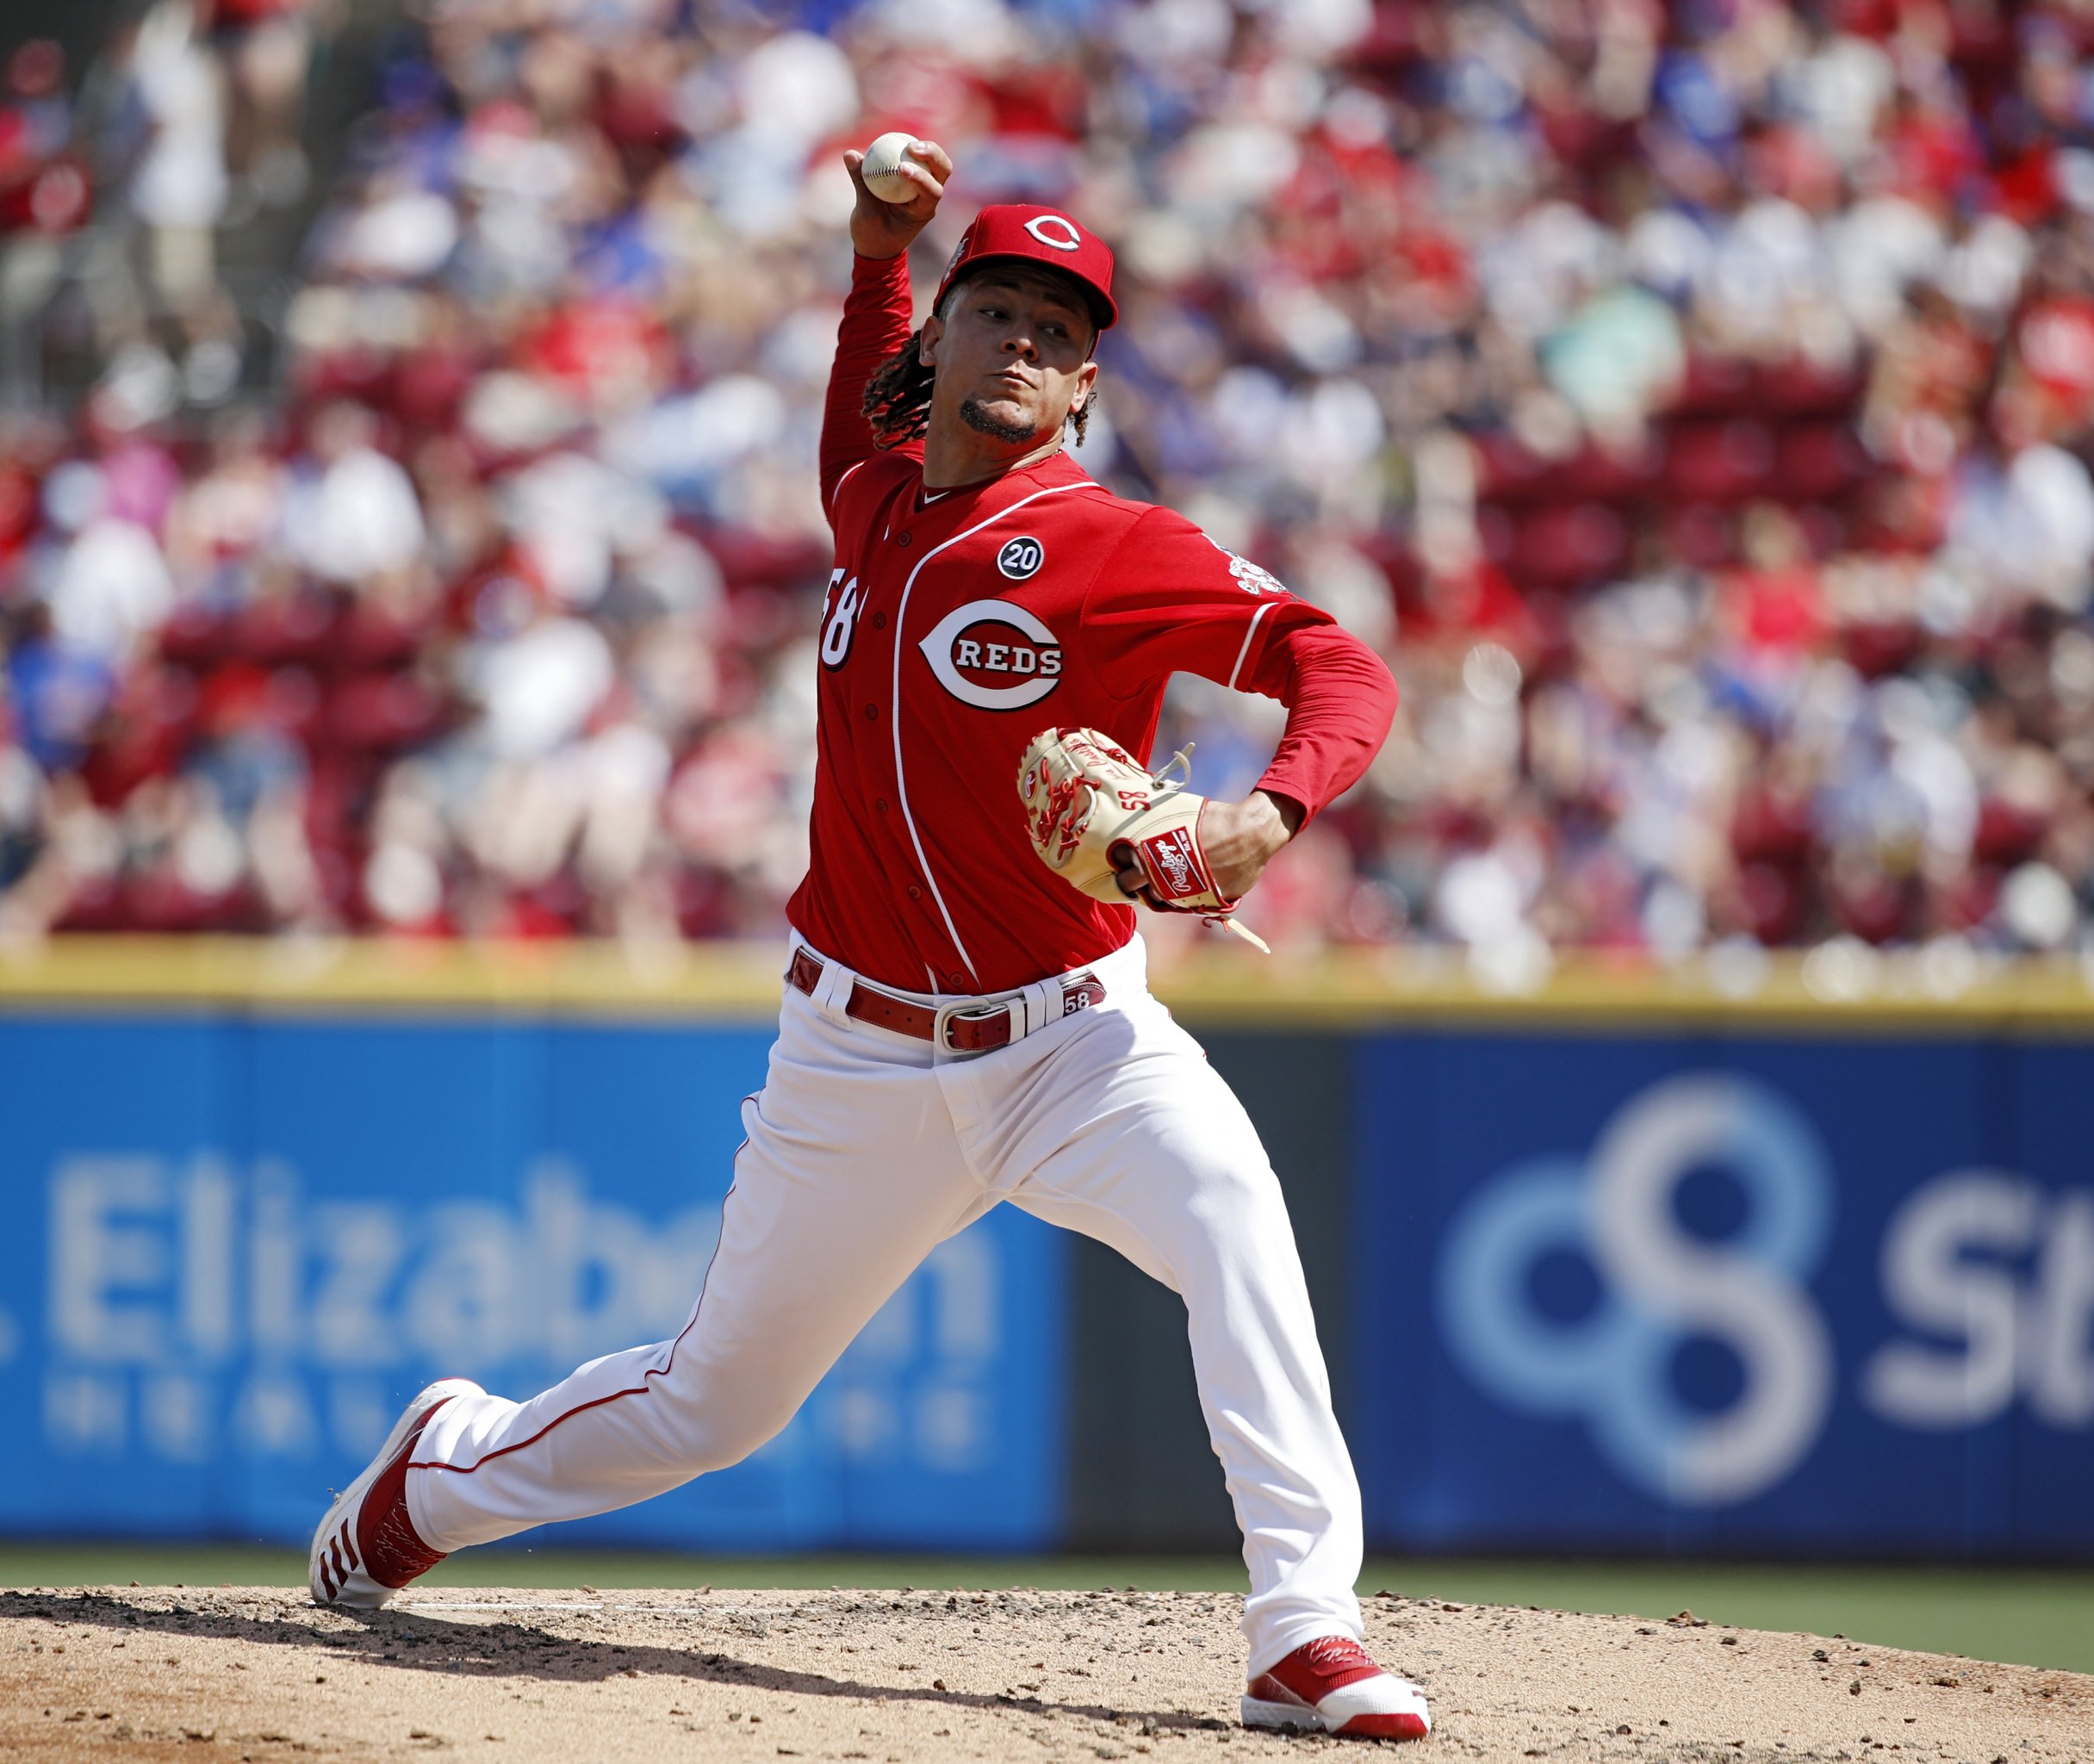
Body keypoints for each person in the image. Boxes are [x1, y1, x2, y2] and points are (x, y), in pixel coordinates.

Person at [306, 140, 1426, 1742]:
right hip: (859, 1050)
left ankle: (1302, 1627)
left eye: (1059, 325)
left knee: (1236, 1216)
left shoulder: (1117, 545)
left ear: (1088, 383)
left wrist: (1267, 810)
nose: (1026, 339)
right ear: (945, 344)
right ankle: (444, 1471)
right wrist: (876, 250)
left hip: (1072, 1037)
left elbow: (1343, 665)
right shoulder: (876, 498)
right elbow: (856, 393)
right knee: (716, 1405)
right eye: (998, 310)